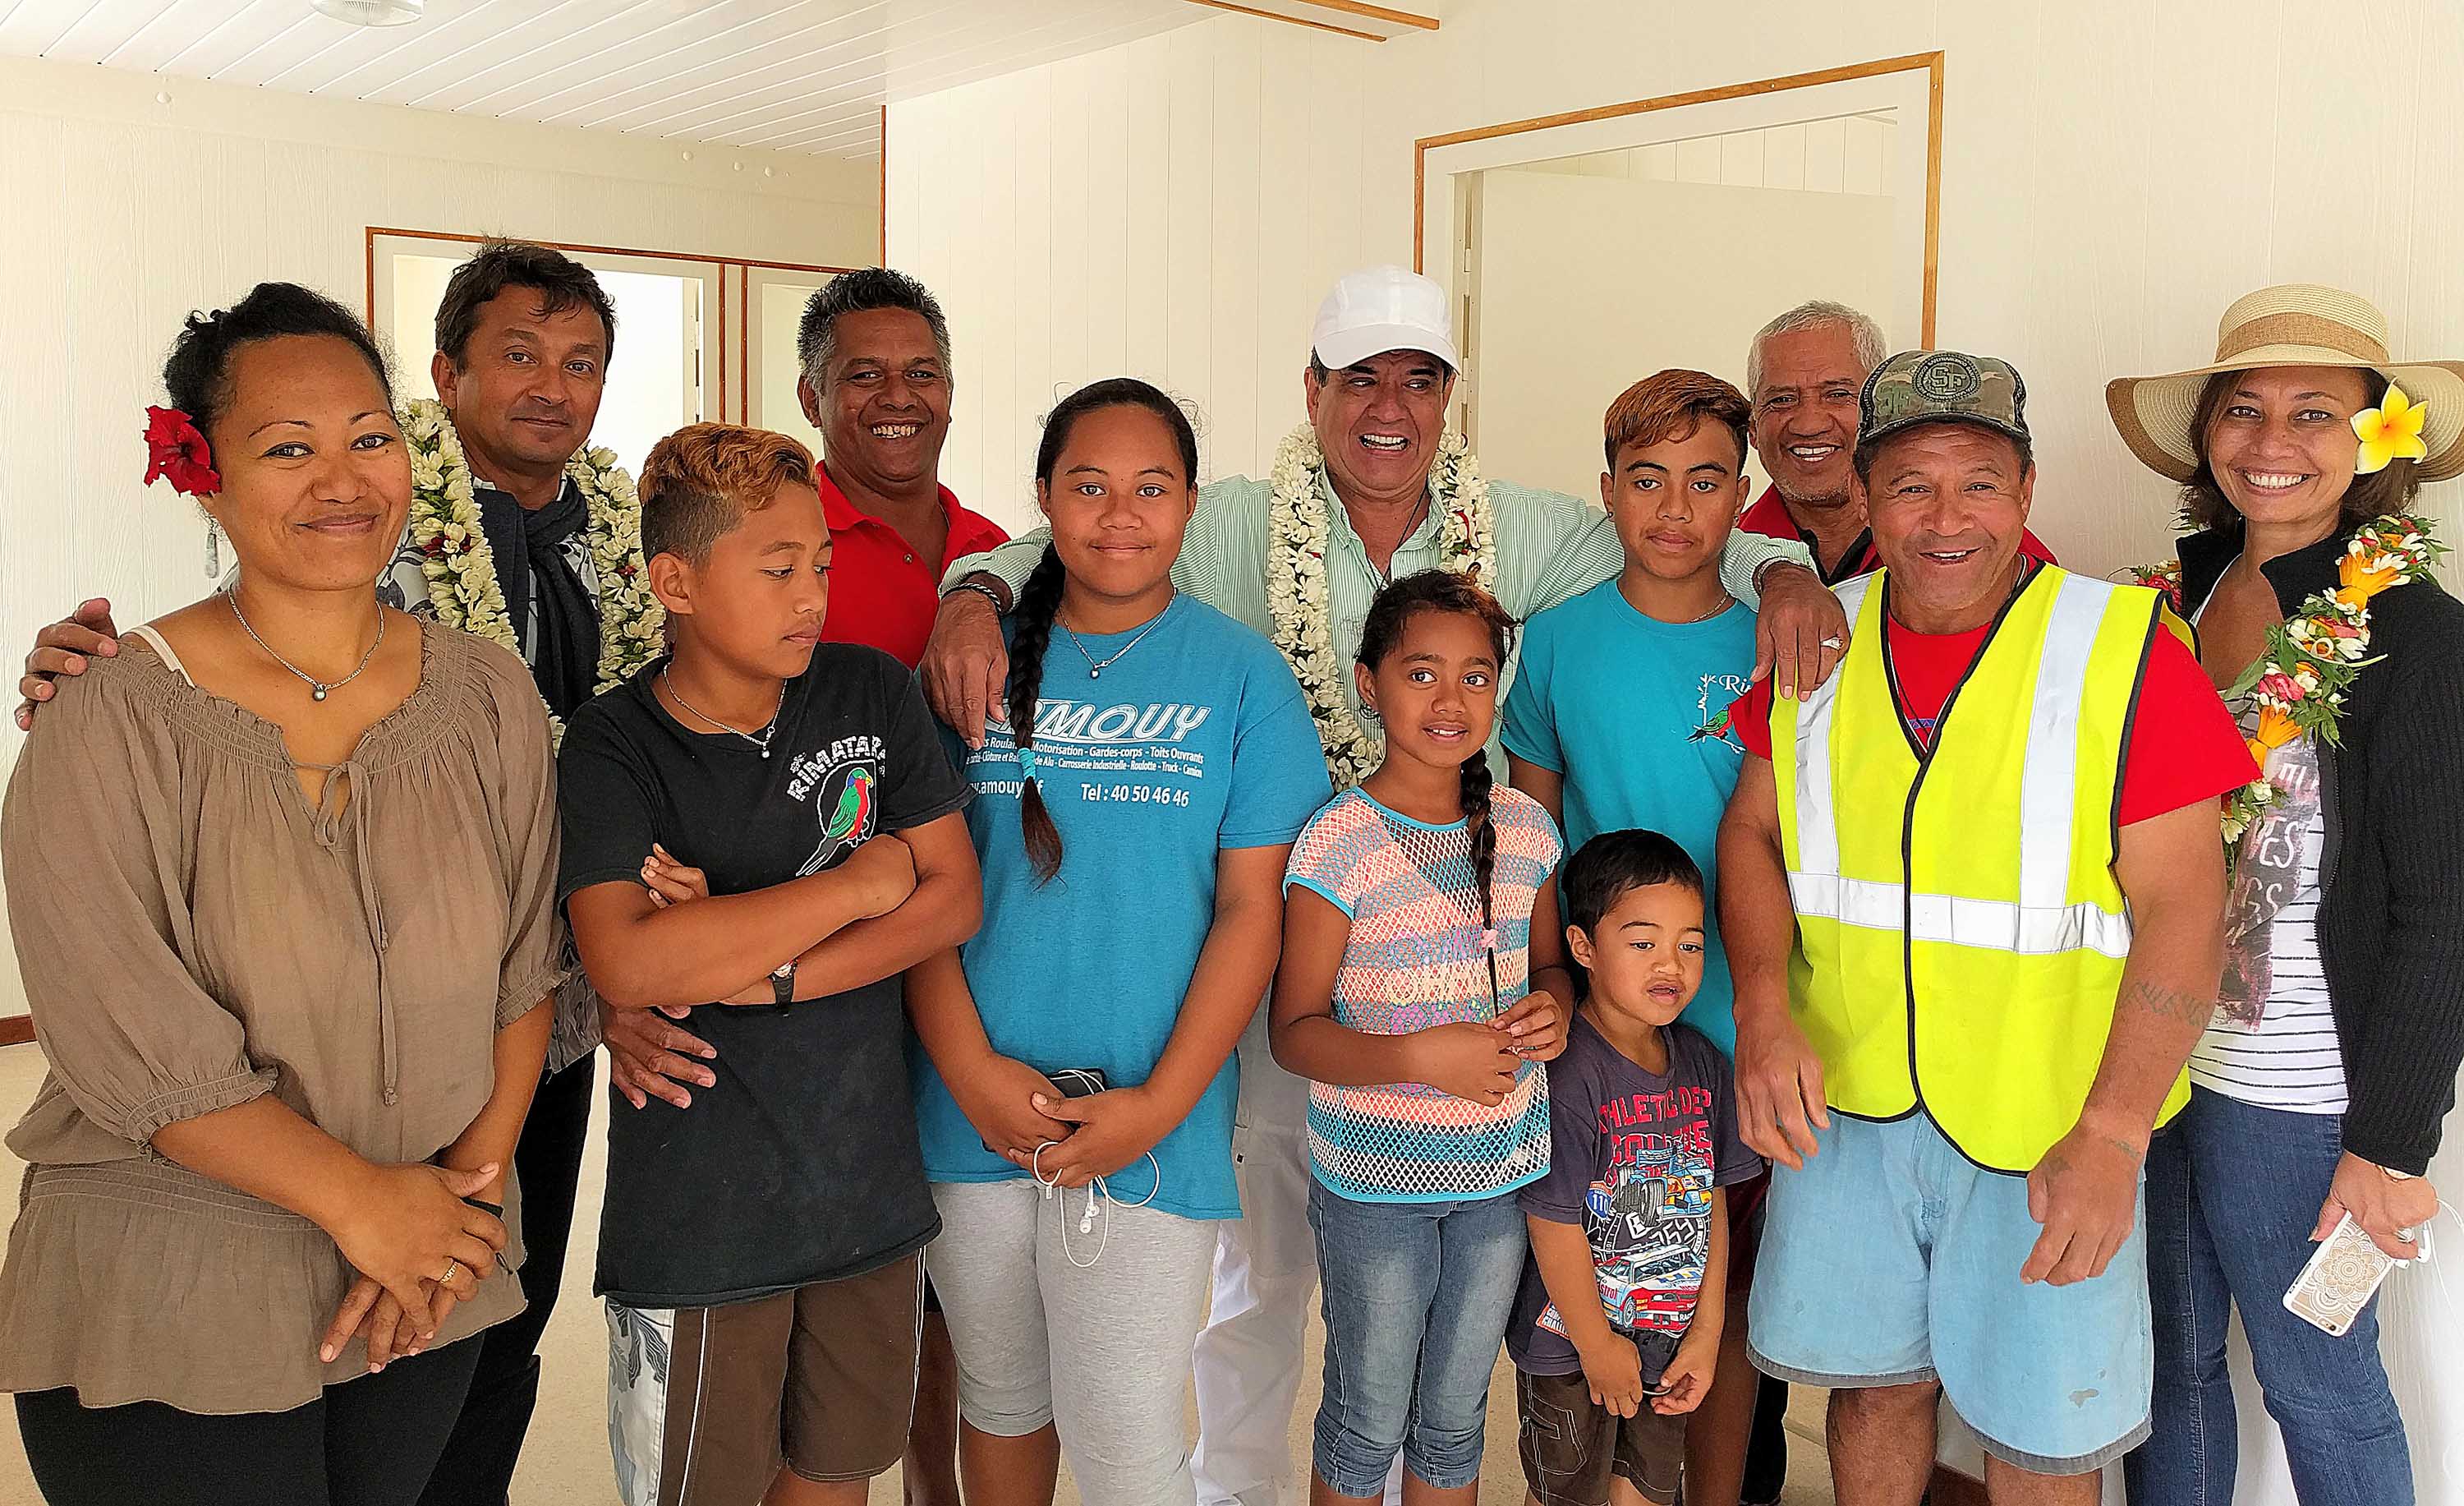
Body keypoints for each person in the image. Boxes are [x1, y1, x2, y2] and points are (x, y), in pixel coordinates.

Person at [922, 265, 1847, 1506]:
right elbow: (1069, 532)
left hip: (1454, 969)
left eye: (1419, 381)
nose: (1389, 409)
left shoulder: (1520, 524)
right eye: (1360, 379)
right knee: (1255, 1283)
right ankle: (1237, 1489)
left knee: (1443, 1322)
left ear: (1449, 401)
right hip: (1282, 938)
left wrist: (1786, 576)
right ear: (1312, 391)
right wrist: (975, 595)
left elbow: (1682, 539)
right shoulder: (1242, 517)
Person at [11, 240, 650, 1506]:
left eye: (366, 439)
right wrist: (368, 1206)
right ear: (201, 473)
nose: (341, 481)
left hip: (434, 1265)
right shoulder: (108, 714)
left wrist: (456, 1201)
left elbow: (526, 969)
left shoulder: (483, 696)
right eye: (286, 447)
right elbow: (127, 1038)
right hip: (181, 1277)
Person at [1716, 350, 2259, 1502]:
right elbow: (1754, 835)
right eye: (1911, 485)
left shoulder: (2123, 647)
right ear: (1865, 499)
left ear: (2025, 491)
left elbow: (2185, 905)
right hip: (1845, 1101)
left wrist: (2113, 1135)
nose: (1945, 517)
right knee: (1870, 1390)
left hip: (2048, 1121)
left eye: (1979, 483)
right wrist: (1762, 1004)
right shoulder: (1820, 636)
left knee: (2039, 1426)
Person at [906, 378, 1331, 1506]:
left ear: (1192, 504)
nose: (1121, 514)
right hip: (969, 1111)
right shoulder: (968, 667)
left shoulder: (1242, 678)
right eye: (1089, 487)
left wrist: (1162, 1104)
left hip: (1152, 1117)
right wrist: (968, 1072)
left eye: (1152, 488)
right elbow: (914, 891)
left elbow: (1253, 912)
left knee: (1131, 1434)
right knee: (997, 1401)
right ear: (1045, 498)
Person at [556, 422, 981, 1506]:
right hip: (702, 1213)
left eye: (823, 567)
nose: (812, 595)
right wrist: (855, 885)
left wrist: (763, 963)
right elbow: (629, 959)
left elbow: (952, 900)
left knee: (836, 1474)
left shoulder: (870, 696)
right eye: (778, 568)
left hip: (863, 1189)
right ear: (676, 581)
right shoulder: (615, 746)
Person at [2104, 283, 2464, 1506]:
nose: (2272, 443)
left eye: (2316, 412)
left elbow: (2444, 910)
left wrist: (2390, 1138)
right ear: (2206, 436)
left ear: (2379, 440)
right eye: (2242, 410)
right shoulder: (2157, 611)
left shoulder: (2416, 635)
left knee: (2319, 1382)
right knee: (2168, 1368)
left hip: (2302, 1094)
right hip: (2148, 1060)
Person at [1498, 371, 1768, 1506]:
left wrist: (1772, 1015)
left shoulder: (1775, 640)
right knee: (1587, 1298)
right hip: (1598, 1040)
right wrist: (1553, 983)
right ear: (1605, 492)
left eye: (1705, 482)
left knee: (1720, 1300)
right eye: (1646, 480)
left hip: (1741, 1026)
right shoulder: (1557, 644)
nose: (1673, 509)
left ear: (1741, 498)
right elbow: (1526, 836)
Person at [1271, 569, 1576, 1506]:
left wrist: (1554, 1009)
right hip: (1374, 1190)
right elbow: (1295, 1032)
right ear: (1369, 684)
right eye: (1421, 674)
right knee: (1367, 1420)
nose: (1451, 700)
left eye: (1476, 677)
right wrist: (1418, 1057)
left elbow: (1552, 967)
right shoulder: (1338, 842)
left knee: (1453, 1420)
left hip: (1500, 1180)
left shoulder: (1526, 830)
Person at [1508, 831, 1762, 1506]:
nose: (1671, 964)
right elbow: (1551, 1222)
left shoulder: (1703, 1062)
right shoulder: (1570, 1075)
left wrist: (1705, 1336)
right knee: (1567, 1496)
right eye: (1643, 942)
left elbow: (1709, 1212)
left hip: (1668, 1343)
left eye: (1690, 943)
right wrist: (1595, 1342)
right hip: (1570, 1347)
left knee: (1646, 1491)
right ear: (1584, 947)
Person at [1740, 301, 2055, 583]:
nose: (1809, 424)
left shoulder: (2004, 555)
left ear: (1880, 415)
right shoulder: (1724, 554)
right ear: (1753, 429)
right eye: (1782, 400)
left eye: (1838, 395)